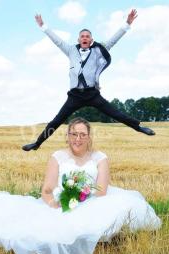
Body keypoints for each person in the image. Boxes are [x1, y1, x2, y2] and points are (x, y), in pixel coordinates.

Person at [0, 117, 161, 254]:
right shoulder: (58, 156)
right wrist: (54, 203)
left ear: (89, 137)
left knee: (121, 206)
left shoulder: (100, 157)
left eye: (82, 135)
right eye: (73, 134)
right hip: (61, 200)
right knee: (45, 229)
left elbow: (102, 190)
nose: (77, 139)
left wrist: (82, 193)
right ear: (67, 136)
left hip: (92, 199)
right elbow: (46, 189)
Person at [22, 9, 155, 152]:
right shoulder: (71, 50)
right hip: (75, 95)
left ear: (91, 40)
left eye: (87, 36)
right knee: (57, 120)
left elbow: (113, 40)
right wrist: (43, 26)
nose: (85, 38)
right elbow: (57, 41)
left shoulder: (98, 50)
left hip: (92, 93)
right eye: (82, 36)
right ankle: (37, 144)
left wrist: (127, 23)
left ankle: (139, 127)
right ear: (78, 40)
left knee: (116, 113)